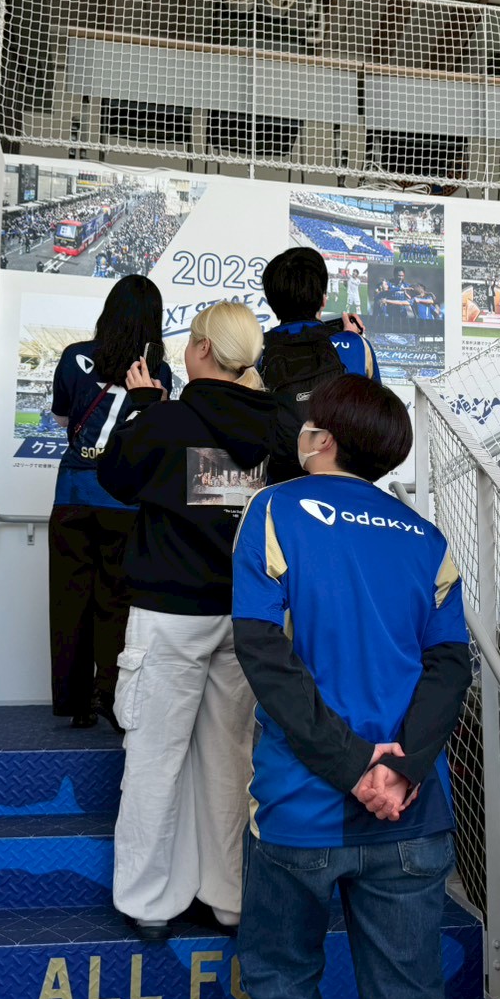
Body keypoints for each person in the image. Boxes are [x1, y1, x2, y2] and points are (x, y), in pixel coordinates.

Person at [232, 375, 471, 999]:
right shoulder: (427, 538)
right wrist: (400, 768)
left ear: (325, 439)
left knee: (282, 985)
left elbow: (262, 650)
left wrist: (353, 766)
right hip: (410, 808)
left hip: (300, 805)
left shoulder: (274, 509)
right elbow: (450, 667)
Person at [97, 300, 299, 941]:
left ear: (204, 350)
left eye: (190, 341)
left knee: (154, 755)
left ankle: (150, 902)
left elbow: (114, 478)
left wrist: (140, 406)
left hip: (169, 611)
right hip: (246, 615)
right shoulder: (279, 425)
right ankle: (230, 897)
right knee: (230, 759)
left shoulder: (167, 418)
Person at [46, 275, 171, 728]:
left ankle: (75, 703)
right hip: (126, 502)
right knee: (118, 603)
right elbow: (155, 432)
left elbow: (63, 418)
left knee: (70, 599)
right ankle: (114, 698)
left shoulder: (74, 356)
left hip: (74, 494)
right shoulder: (159, 371)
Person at [259, 247, 379, 416]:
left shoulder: (254, 350)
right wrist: (350, 339)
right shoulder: (357, 345)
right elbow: (379, 414)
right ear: (323, 300)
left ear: (271, 303)